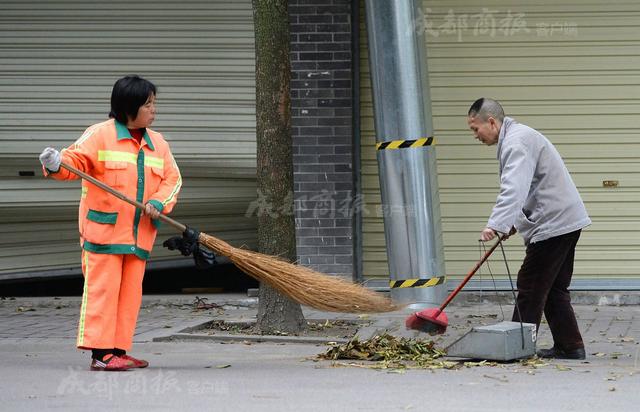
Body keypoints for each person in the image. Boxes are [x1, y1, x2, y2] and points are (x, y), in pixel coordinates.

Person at [39, 75, 183, 371]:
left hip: (139, 236)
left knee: (129, 297)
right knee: (103, 294)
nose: (154, 110)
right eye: (148, 104)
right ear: (129, 107)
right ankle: (101, 355)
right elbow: (73, 163)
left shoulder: (158, 143)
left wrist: (158, 202)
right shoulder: (99, 135)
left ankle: (118, 350)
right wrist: (54, 164)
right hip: (103, 233)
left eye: (154, 103)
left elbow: (173, 179)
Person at [467, 97, 591, 360]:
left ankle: (516, 348)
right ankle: (570, 346)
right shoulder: (518, 138)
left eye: (475, 129)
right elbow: (529, 187)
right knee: (555, 288)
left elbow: (514, 188)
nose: (475, 136)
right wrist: (511, 223)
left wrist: (496, 225)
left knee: (530, 284)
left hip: (554, 222)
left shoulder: (516, 142)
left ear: (491, 121)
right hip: (564, 219)